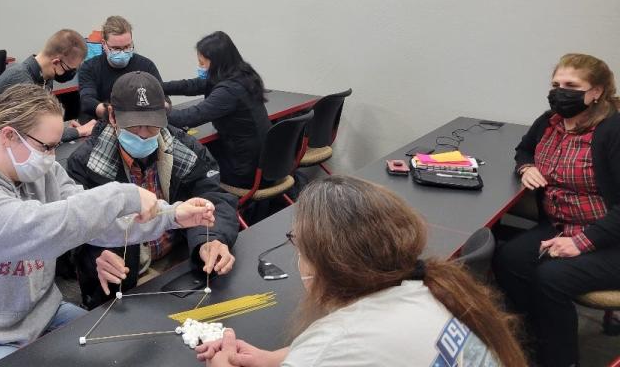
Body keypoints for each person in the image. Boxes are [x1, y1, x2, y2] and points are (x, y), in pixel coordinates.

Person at [0, 84, 216, 367]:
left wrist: (172, 216)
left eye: (55, 146)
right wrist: (121, 194)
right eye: (46, 147)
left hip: (40, 315)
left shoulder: (42, 172)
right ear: (9, 136)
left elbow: (94, 223)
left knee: (124, 349)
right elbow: (38, 229)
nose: (51, 157)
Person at [196, 176, 526, 366]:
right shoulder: (429, 289)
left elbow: (341, 349)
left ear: (325, 262)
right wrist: (278, 359)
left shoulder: (338, 341)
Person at [67, 72, 240, 309]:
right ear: (112, 117)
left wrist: (210, 240)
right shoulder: (85, 163)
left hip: (182, 262)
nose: (144, 134)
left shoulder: (186, 151)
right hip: (128, 278)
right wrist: (96, 256)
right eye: (134, 125)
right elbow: (72, 231)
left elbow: (213, 199)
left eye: (153, 124)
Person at [494, 53, 620, 366]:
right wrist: (526, 167)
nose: (560, 91)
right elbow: (523, 148)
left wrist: (579, 243)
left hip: (610, 237)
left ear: (596, 92)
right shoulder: (550, 121)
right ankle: (537, 335)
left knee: (552, 278)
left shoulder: (612, 132)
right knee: (508, 259)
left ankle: (561, 359)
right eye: (556, 84)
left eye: (571, 85)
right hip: (563, 224)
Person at [161, 31, 270, 189]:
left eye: (202, 63)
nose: (200, 67)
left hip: (245, 171)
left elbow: (190, 117)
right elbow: (191, 85)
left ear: (217, 62)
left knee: (190, 164)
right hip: (264, 163)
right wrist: (157, 86)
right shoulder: (241, 74)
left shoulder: (230, 90)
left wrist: (157, 110)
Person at [0, 29, 94, 142]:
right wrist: (79, 131)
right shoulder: (20, 79)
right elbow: (35, 136)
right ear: (55, 62)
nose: (71, 74)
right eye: (70, 69)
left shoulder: (46, 78)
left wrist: (60, 130)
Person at [77, 16, 163, 120]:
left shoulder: (146, 66)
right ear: (104, 44)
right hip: (100, 123)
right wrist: (112, 114)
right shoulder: (89, 68)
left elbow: (164, 100)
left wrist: (162, 106)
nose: (122, 52)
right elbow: (87, 101)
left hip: (139, 123)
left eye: (127, 47)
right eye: (116, 48)